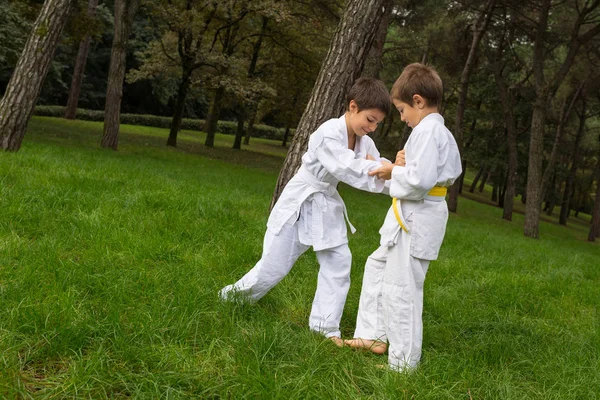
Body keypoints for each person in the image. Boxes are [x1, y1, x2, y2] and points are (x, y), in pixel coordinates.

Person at [219, 77, 392, 344]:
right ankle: (230, 298)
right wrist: (382, 169)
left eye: (377, 123)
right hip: (300, 202)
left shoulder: (363, 141)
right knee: (273, 267)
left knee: (339, 261)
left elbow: (376, 165)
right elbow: (348, 168)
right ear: (353, 106)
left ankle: (324, 329)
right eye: (370, 119)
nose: (373, 127)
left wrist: (397, 172)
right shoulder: (327, 133)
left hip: (326, 204)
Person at [345, 63, 462, 372]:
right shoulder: (434, 131)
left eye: (400, 110)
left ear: (418, 101)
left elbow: (420, 182)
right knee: (377, 267)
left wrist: (392, 170)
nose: (402, 118)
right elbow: (421, 172)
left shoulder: (429, 131)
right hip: (411, 217)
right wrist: (400, 165)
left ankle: (403, 363)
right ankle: (372, 335)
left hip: (417, 219)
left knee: (402, 288)